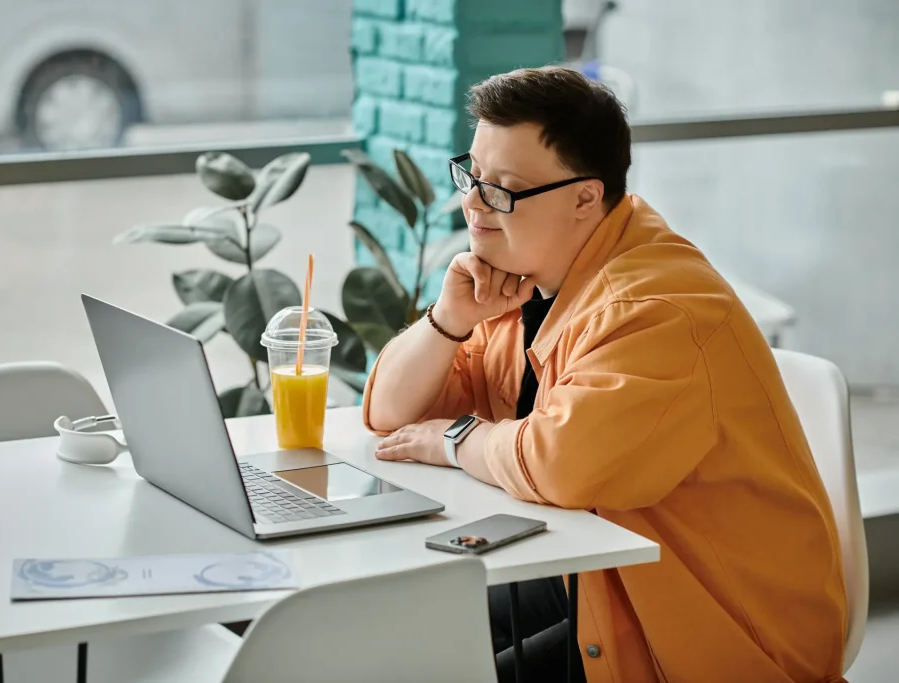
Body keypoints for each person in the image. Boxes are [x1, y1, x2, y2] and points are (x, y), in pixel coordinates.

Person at [362, 66, 848, 683]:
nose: (475, 204)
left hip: (701, 619)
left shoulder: (658, 307)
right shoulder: (519, 277)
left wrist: (456, 440)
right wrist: (449, 319)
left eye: (504, 189)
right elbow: (392, 415)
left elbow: (561, 463)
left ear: (585, 197)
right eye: (472, 176)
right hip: (593, 575)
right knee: (380, 636)